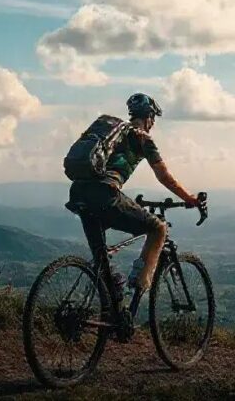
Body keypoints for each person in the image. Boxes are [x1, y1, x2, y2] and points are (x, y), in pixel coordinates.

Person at [67, 93, 201, 299]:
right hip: (106, 194)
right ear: (149, 117)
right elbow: (164, 177)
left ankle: (110, 319)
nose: (153, 124)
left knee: (102, 266)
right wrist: (189, 198)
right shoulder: (143, 138)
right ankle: (139, 283)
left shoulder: (112, 134)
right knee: (158, 228)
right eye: (153, 119)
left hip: (78, 193)